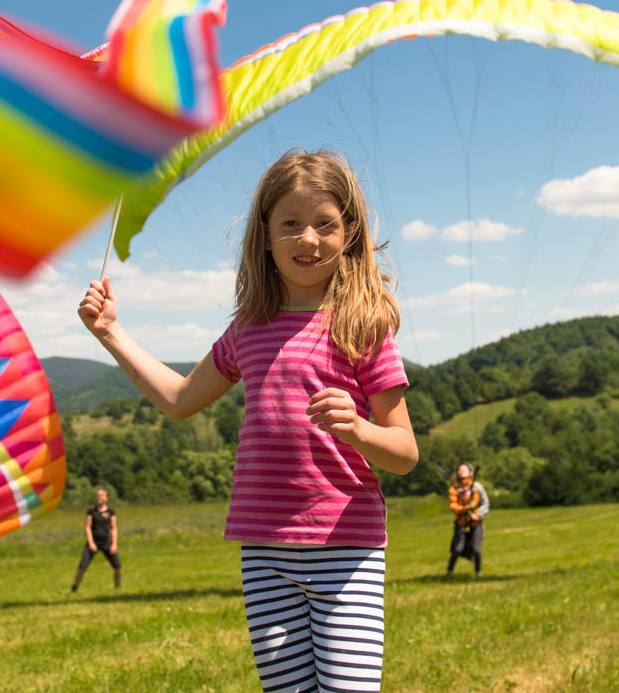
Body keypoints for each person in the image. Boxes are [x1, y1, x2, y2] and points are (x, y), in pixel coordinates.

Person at [79, 149, 417, 692]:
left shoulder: (365, 324)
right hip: (263, 553)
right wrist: (111, 334)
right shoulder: (249, 329)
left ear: (349, 233)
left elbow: (404, 452)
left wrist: (357, 428)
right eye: (290, 224)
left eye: (325, 224)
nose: (307, 238)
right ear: (264, 236)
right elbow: (180, 398)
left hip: (345, 551)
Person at [70, 487, 120, 592]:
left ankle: (117, 586)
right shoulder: (91, 512)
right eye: (98, 495)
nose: (99, 497)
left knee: (117, 566)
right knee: (83, 566)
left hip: (106, 543)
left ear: (106, 498)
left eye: (101, 495)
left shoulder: (111, 512)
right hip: (93, 543)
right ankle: (74, 587)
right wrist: (91, 543)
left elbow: (114, 528)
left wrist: (114, 544)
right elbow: (87, 527)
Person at [446, 463, 489, 578]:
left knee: (476, 549)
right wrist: (465, 508)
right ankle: (449, 571)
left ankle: (478, 572)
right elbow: (453, 506)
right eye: (459, 470)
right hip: (461, 522)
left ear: (470, 472)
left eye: (463, 470)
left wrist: (478, 515)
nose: (461, 472)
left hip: (475, 522)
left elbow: (485, 504)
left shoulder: (477, 487)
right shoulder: (454, 489)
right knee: (457, 548)